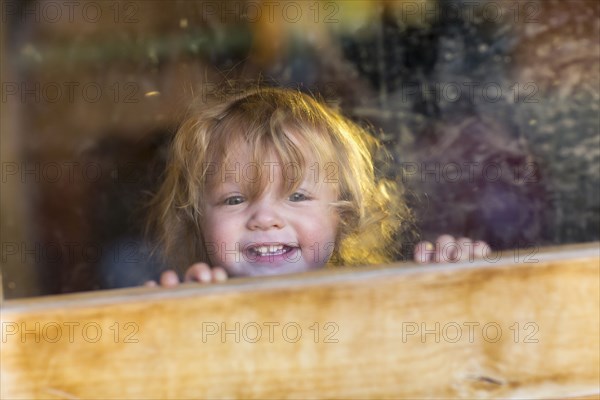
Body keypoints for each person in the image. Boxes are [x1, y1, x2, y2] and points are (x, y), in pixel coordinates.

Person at [144, 87, 489, 287]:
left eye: (296, 196)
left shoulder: (377, 303)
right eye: (234, 199)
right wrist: (168, 328)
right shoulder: (199, 309)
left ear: (346, 213)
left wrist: (461, 284)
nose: (264, 219)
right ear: (195, 218)